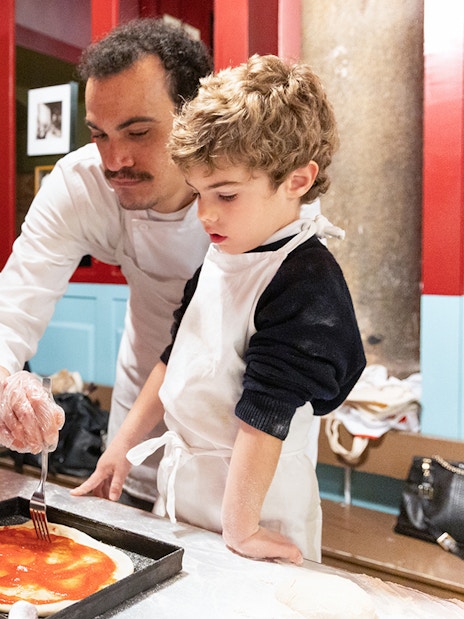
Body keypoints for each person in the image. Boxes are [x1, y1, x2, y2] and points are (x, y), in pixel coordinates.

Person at [73, 54, 366, 565]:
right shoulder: (223, 249)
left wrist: (242, 528)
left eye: (226, 194)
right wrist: (119, 447)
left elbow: (265, 412)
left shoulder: (305, 280)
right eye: (199, 193)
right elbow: (174, 358)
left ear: (297, 180)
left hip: (259, 507)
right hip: (186, 499)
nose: (206, 214)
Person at [0, 18, 213, 509]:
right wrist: (8, 388)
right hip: (134, 429)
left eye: (138, 132)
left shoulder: (254, 190)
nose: (116, 160)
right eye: (99, 134)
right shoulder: (80, 186)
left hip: (248, 431)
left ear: (194, 115)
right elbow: (13, 308)